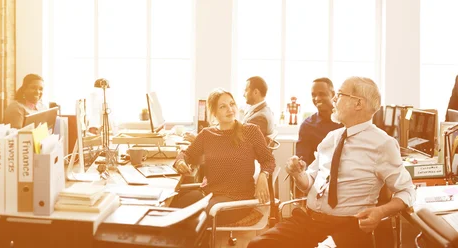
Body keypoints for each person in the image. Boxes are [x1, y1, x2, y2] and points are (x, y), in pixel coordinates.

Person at [247, 77, 415, 248]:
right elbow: (310, 183)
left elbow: (407, 191)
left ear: (358, 103)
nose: (334, 99)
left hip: (348, 227)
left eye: (340, 94)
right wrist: (298, 174)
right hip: (309, 220)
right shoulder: (331, 138)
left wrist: (380, 212)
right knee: (257, 245)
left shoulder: (382, 144)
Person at [172, 88, 276, 226]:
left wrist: (264, 175)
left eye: (232, 104)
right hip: (210, 195)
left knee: (196, 220)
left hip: (238, 201)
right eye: (223, 106)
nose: (230, 109)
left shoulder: (250, 131)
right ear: (214, 113)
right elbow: (187, 154)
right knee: (172, 208)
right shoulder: (206, 135)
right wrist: (180, 161)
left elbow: (268, 159)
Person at [184, 76, 275, 143]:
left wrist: (199, 140)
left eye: (246, 90)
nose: (244, 94)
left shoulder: (260, 117)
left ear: (255, 92)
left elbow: (240, 144)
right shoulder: (264, 110)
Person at [296, 77, 343, 165]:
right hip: (318, 175)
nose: (317, 98)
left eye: (322, 94)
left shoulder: (346, 121)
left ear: (333, 94)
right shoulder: (307, 126)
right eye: (313, 95)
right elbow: (302, 158)